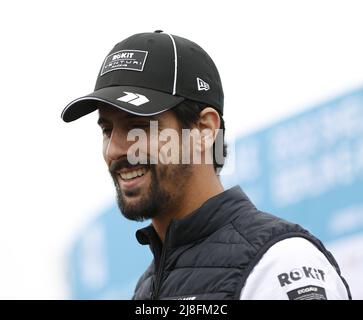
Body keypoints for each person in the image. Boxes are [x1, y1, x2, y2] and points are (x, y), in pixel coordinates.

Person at [61, 30, 351, 300]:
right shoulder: (146, 287)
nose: (115, 150)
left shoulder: (281, 262)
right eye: (107, 130)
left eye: (139, 127)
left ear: (203, 129)